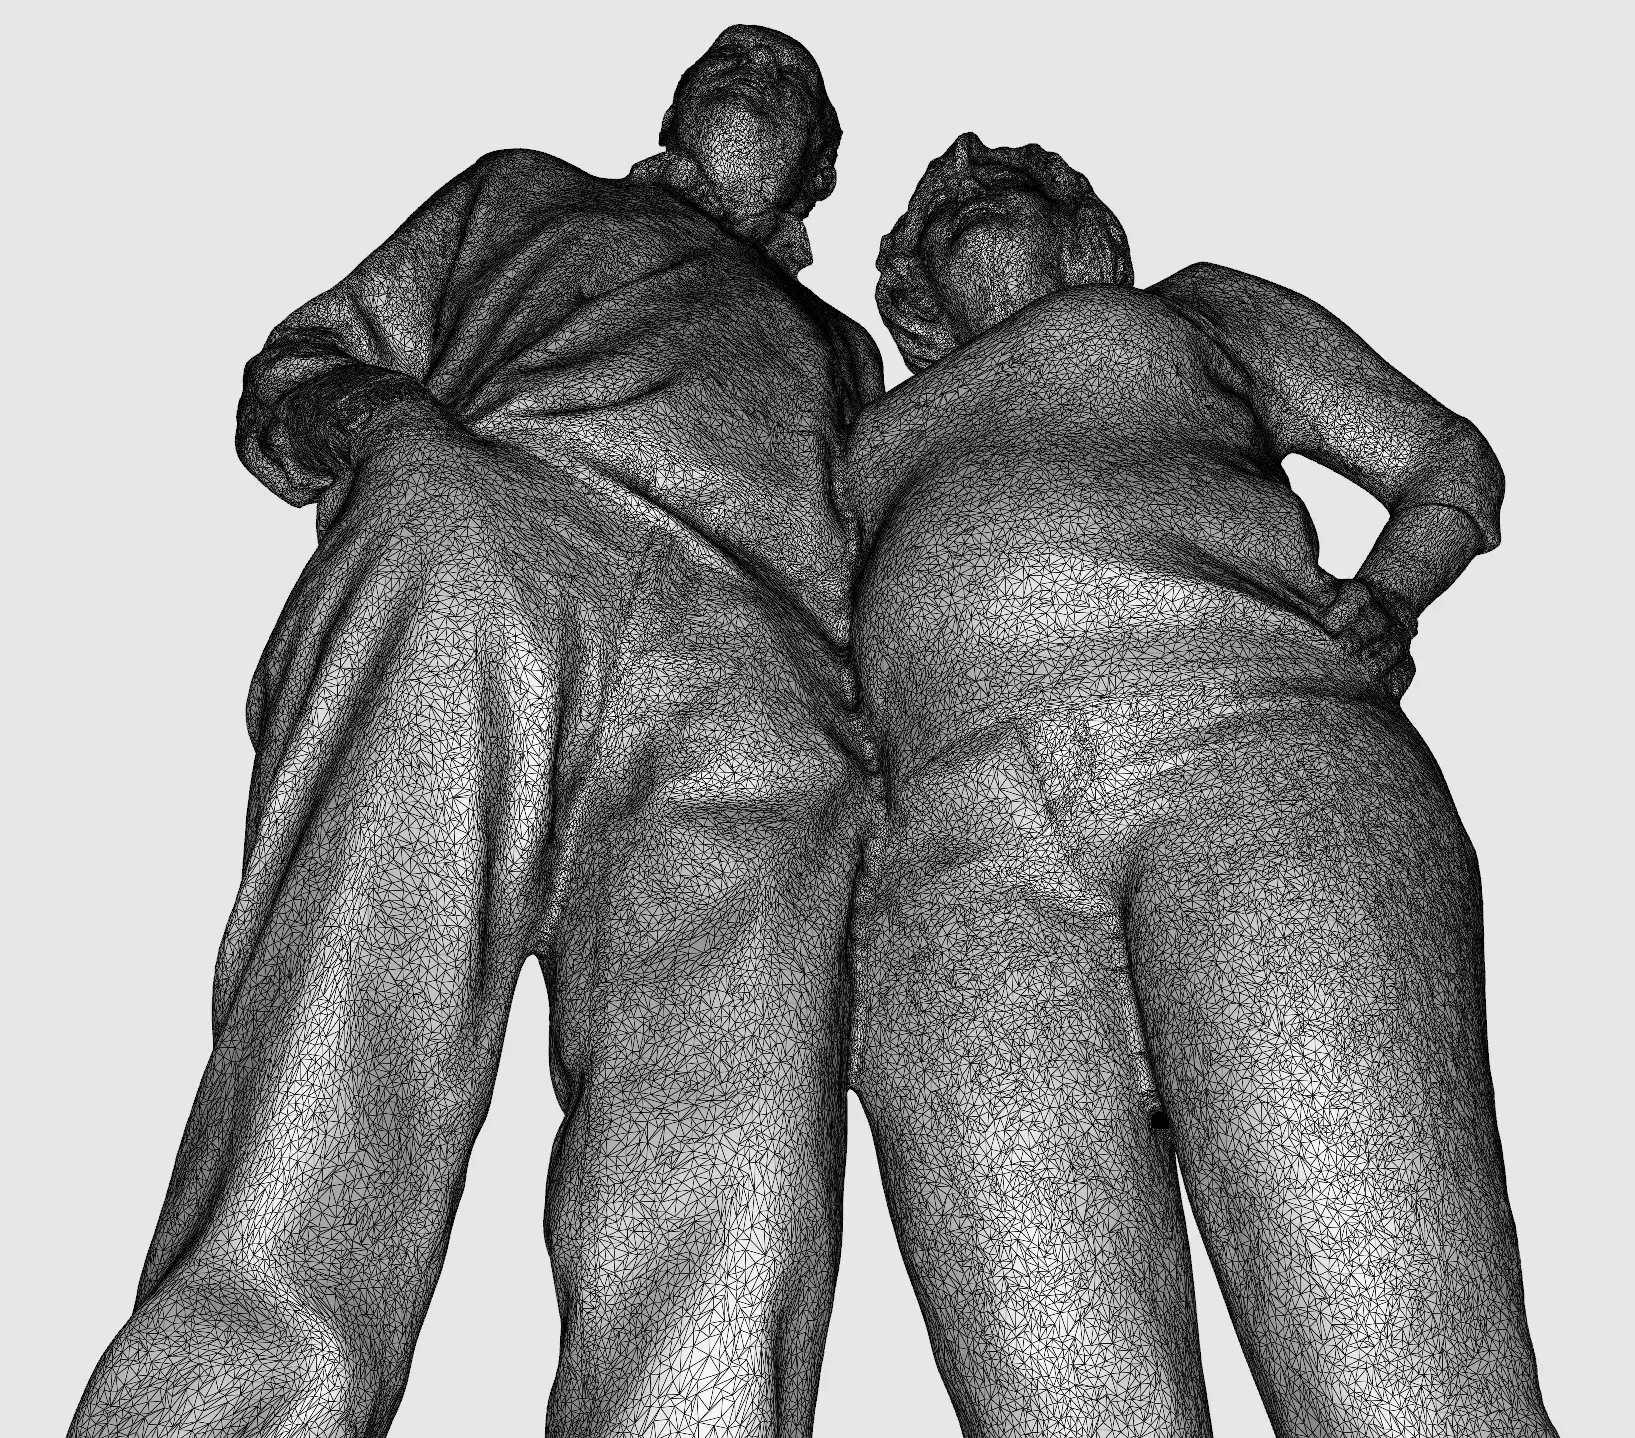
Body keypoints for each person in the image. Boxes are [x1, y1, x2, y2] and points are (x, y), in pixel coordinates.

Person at [68, 27, 882, 1438]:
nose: (751, 75)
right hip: (491, 536)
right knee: (347, 1016)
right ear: (673, 110)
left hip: (760, 678)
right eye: (727, 66)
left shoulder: (838, 349)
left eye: (785, 87)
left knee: (738, 1167)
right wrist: (392, 434)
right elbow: (303, 363)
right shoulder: (523, 195)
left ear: (815, 174)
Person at [844, 132, 1557, 1438]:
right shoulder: (862, 434)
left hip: (1249, 755)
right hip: (950, 866)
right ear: (911, 298)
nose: (962, 180)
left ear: (1087, 229)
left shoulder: (1194, 312)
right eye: (935, 212)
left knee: (1397, 1373)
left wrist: (1391, 591)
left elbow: (1445, 462)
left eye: (1005, 185)